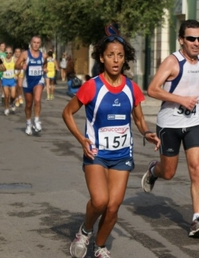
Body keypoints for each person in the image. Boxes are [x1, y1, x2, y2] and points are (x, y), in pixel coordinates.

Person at [63, 34, 160, 258]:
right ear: (102, 58)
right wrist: (81, 139)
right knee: (100, 201)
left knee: (113, 206)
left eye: (120, 55)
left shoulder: (131, 88)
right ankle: (84, 231)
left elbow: (138, 119)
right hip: (96, 153)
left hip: (122, 154)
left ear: (124, 59)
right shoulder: (91, 86)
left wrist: (147, 132)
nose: (116, 60)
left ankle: (100, 246)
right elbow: (67, 112)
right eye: (110, 55)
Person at [141, 19, 199, 238]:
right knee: (169, 173)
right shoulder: (172, 62)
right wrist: (180, 99)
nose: (196, 42)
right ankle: (155, 170)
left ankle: (197, 219)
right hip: (169, 124)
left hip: (193, 123)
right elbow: (152, 89)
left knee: (198, 167)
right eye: (191, 38)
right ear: (181, 40)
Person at [15, 36, 45, 135]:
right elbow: (16, 65)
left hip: (38, 80)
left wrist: (44, 69)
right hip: (27, 82)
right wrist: (21, 66)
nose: (36, 44)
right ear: (31, 43)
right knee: (28, 105)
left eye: (38, 43)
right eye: (34, 42)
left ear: (40, 44)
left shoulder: (43, 55)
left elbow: (43, 66)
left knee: (37, 100)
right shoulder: (25, 54)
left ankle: (36, 121)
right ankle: (28, 123)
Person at [1, 46, 17, 116]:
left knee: (13, 96)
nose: (8, 54)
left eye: (10, 53)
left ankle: (12, 102)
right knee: (6, 96)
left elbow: (18, 67)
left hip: (12, 79)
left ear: (12, 53)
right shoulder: (2, 59)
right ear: (5, 53)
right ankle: (6, 108)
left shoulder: (14, 59)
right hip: (5, 79)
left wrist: (16, 74)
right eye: (7, 53)